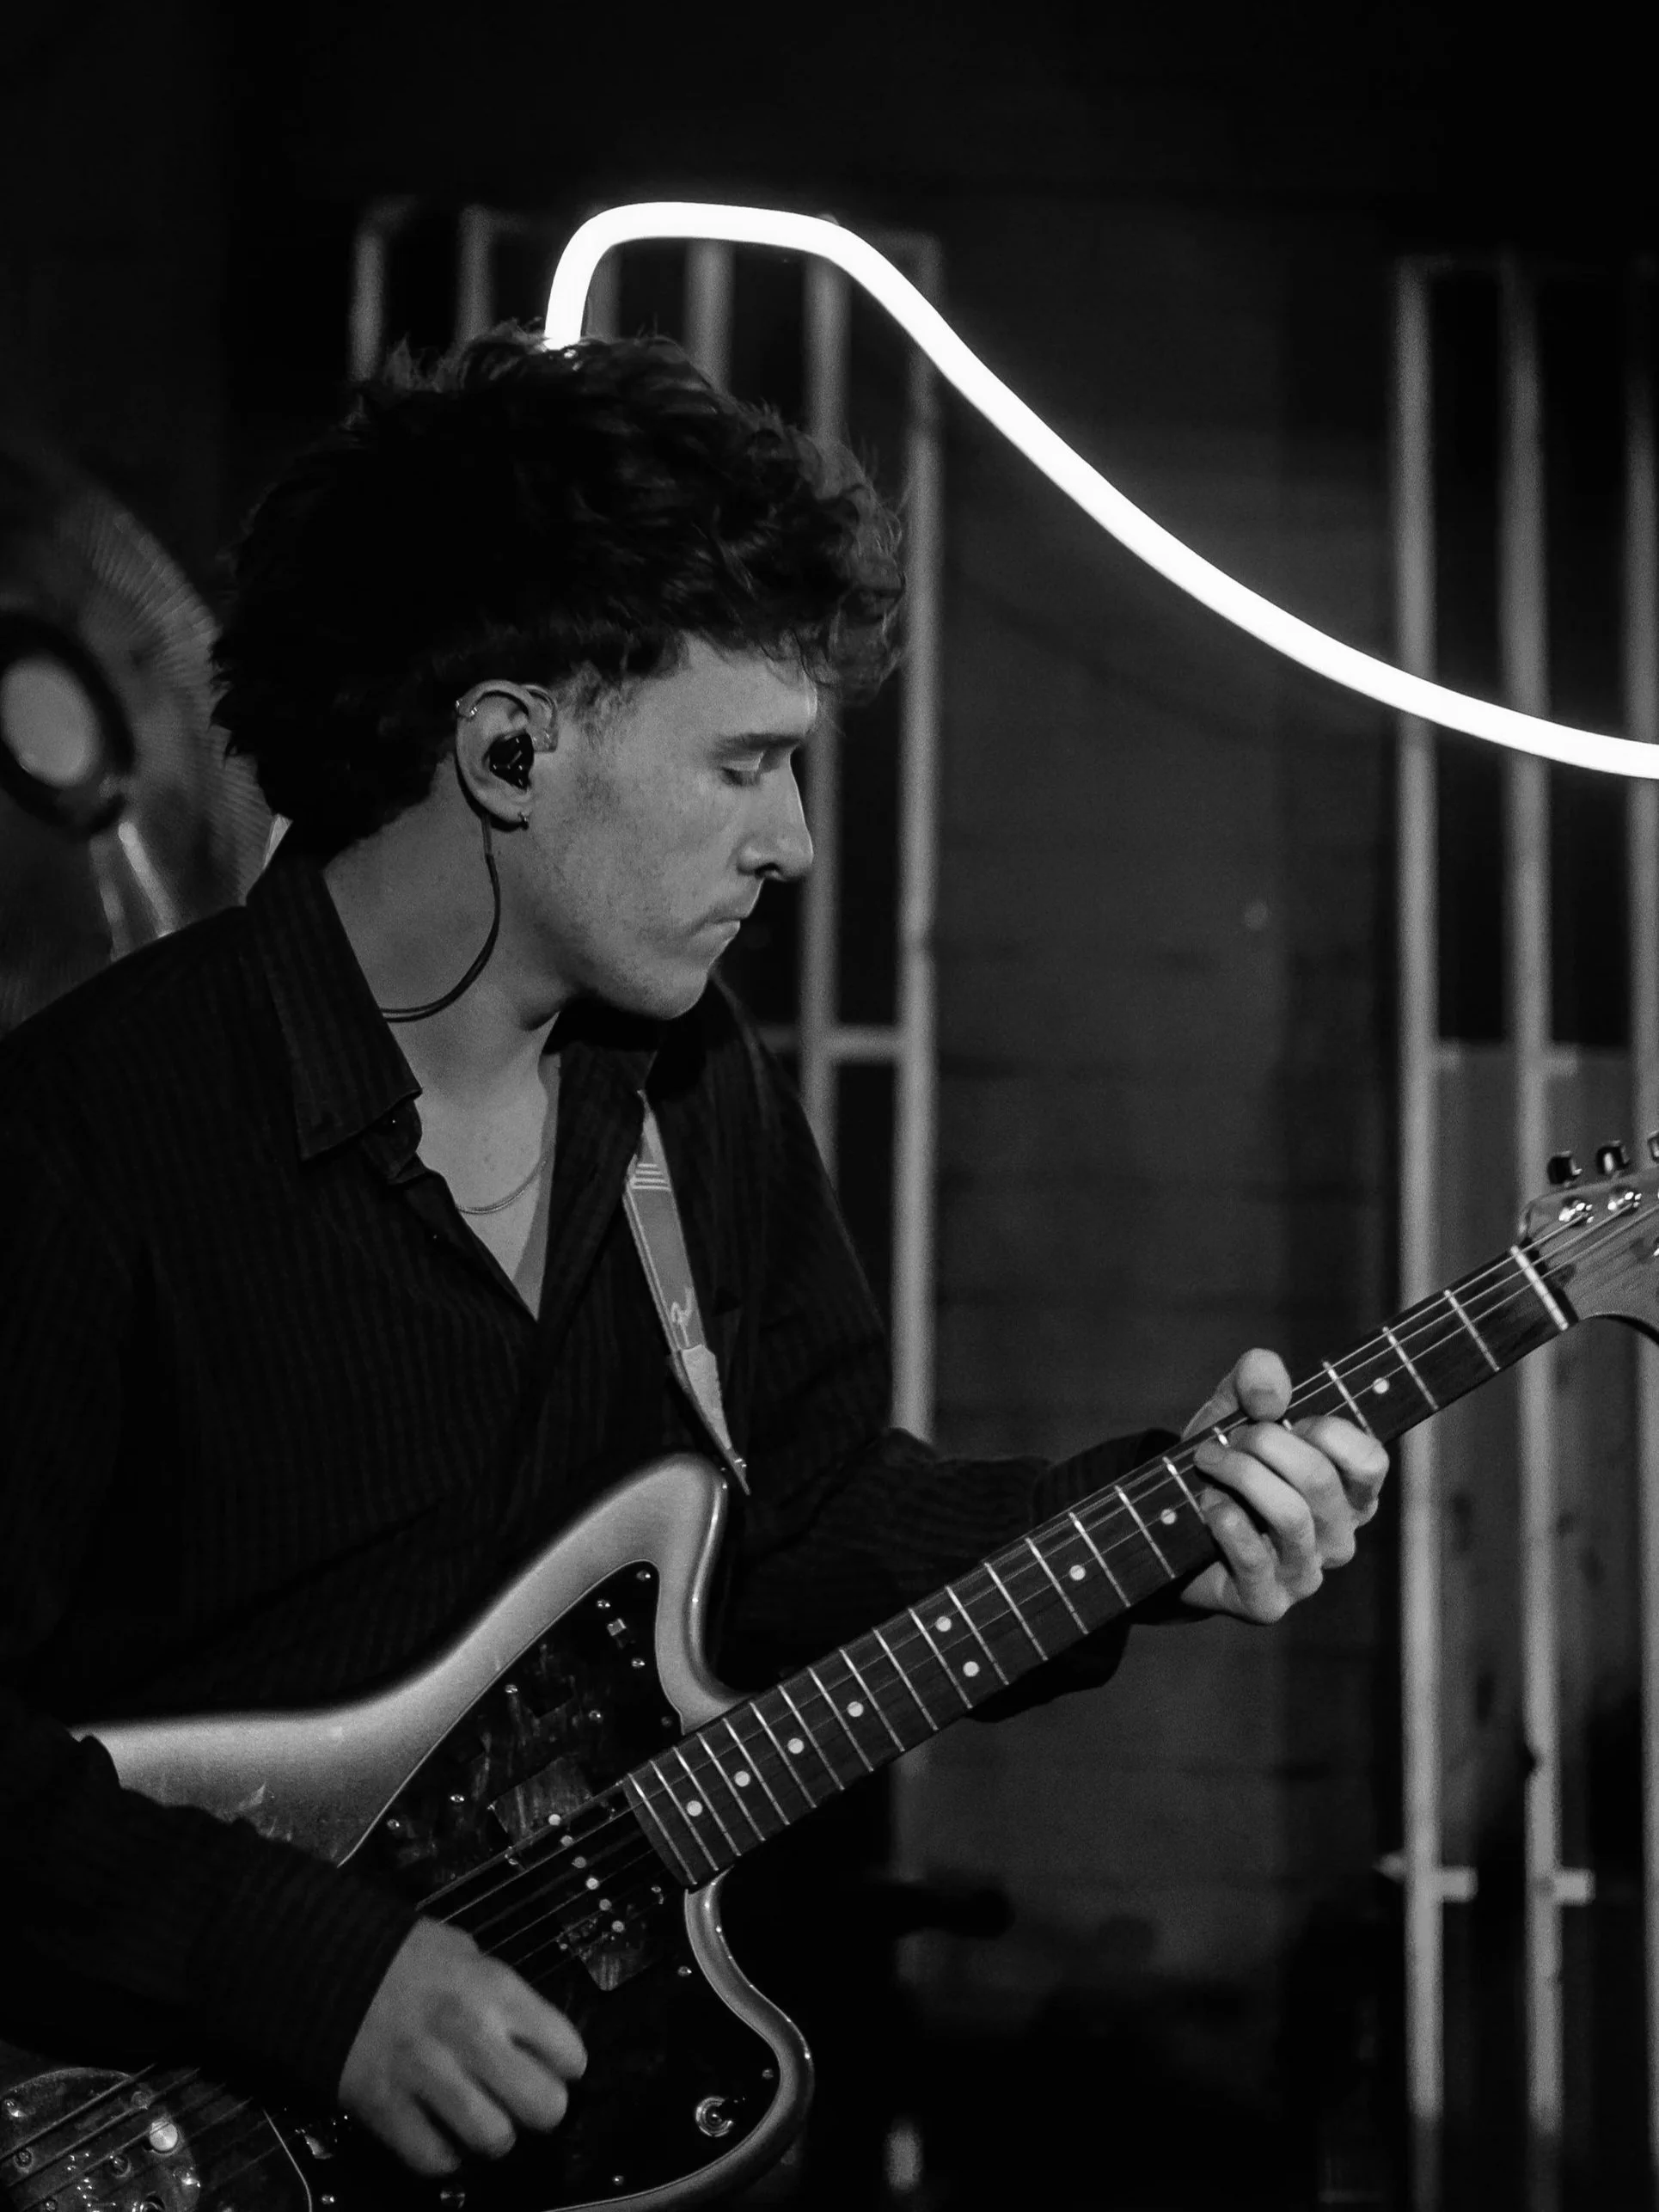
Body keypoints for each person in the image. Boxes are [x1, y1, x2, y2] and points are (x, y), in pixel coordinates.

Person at [0, 329, 1387, 2183]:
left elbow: (797, 1529)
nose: (793, 839)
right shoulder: (90, 1139)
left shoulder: (695, 1089)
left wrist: (1152, 1522)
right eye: (743, 762)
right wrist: (314, 1970)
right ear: (511, 744)